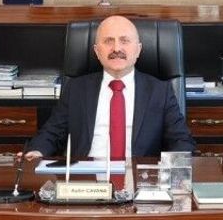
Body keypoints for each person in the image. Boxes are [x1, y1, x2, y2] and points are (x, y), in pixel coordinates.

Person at [24, 15, 195, 161]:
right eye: (108, 41)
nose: (117, 48)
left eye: (124, 41)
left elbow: (181, 140)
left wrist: (175, 170)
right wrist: (36, 151)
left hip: (140, 177)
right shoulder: (76, 89)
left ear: (138, 50)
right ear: (97, 52)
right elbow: (52, 133)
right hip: (85, 178)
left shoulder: (160, 91)